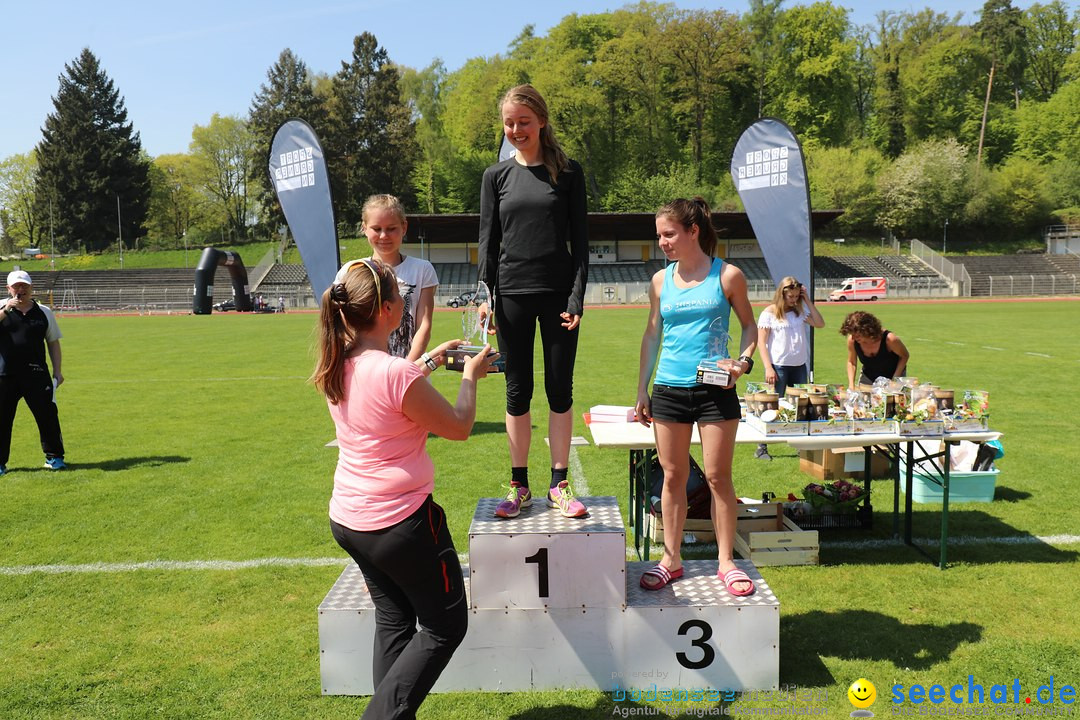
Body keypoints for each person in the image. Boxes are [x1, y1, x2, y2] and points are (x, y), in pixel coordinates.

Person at [312, 257, 497, 720]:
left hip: (351, 519)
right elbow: (457, 426)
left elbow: (391, 389)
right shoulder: (395, 372)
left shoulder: (337, 362)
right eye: (401, 298)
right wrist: (470, 377)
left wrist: (431, 361)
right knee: (444, 625)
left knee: (394, 620)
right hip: (400, 523)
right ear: (390, 310)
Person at [634, 198, 758, 597]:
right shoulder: (660, 281)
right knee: (673, 476)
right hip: (669, 389)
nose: (663, 243)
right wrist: (642, 389)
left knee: (719, 477)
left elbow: (750, 328)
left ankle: (726, 562)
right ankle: (670, 559)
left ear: (693, 232)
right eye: (659, 236)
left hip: (714, 390)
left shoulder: (728, 276)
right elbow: (653, 334)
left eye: (669, 234)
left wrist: (742, 362)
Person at [478, 84, 589, 520]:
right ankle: (519, 485)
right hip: (510, 297)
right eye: (509, 123)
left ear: (541, 120)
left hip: (559, 296)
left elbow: (580, 244)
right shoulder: (495, 176)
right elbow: (487, 243)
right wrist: (485, 296)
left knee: (559, 389)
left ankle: (559, 483)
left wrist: (577, 297)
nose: (516, 129)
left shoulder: (569, 173)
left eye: (523, 121)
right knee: (516, 390)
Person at [0, 270, 66, 473]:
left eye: (24, 286)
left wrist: (58, 371)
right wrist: (5, 310)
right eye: (16, 286)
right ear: (8, 289)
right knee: (2, 419)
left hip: (36, 375)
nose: (21, 290)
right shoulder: (2, 307)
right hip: (4, 375)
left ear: (31, 287)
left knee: (47, 416)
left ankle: (54, 457)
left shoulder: (43, 312)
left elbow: (53, 342)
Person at [753, 276, 825, 460]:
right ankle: (762, 447)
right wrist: (768, 368)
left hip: (799, 366)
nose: (793, 300)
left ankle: (800, 444)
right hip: (778, 366)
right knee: (770, 405)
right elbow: (761, 343)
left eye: (796, 296)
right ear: (781, 294)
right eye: (790, 296)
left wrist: (807, 300)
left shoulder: (799, 312)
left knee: (799, 406)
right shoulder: (769, 313)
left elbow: (819, 323)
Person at [363, 194, 439, 361]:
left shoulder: (422, 269)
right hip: (368, 373)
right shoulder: (354, 270)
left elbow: (423, 326)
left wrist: (406, 369)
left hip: (409, 371)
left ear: (404, 227)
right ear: (364, 228)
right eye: (376, 229)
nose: (384, 236)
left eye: (391, 228)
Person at [839, 310, 910, 387]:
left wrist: (895, 379)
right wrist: (851, 385)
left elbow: (904, 356)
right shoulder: (852, 341)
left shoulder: (890, 339)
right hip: (868, 378)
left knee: (892, 398)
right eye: (851, 334)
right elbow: (852, 362)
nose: (853, 337)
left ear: (867, 330)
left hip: (893, 375)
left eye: (857, 335)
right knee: (863, 398)